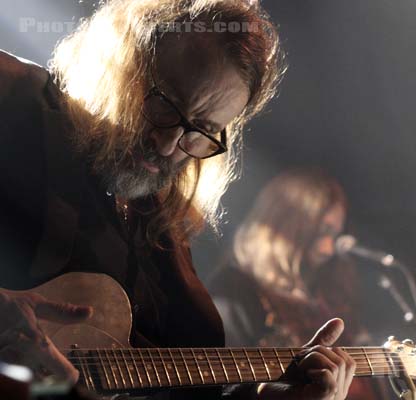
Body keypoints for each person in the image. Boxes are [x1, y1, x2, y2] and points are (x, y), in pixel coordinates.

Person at [0, 1, 357, 399]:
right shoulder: (14, 98)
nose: (169, 145)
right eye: (164, 103)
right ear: (123, 62)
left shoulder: (159, 225)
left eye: (201, 128)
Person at [209, 169, 383, 400]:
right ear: (288, 225)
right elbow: (225, 387)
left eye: (335, 234)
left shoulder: (325, 293)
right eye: (323, 232)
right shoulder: (235, 289)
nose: (329, 249)